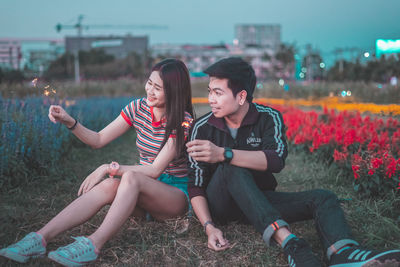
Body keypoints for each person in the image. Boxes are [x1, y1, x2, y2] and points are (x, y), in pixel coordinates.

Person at [186, 57, 400, 267]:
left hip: (259, 199)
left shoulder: (268, 117)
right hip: (222, 205)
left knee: (323, 198)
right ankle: (291, 244)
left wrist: (224, 153)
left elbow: (276, 160)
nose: (211, 99)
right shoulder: (202, 127)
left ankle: (343, 254)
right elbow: (195, 185)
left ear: (241, 97)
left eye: (218, 92)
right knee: (230, 168)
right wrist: (209, 226)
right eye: (209, 91)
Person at [0, 58, 194, 266]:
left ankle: (93, 244)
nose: (150, 90)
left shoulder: (182, 121)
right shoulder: (138, 108)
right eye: (149, 83)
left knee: (129, 177)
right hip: (143, 196)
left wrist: (109, 168)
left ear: (174, 91)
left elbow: (155, 170)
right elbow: (98, 139)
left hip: (174, 197)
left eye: (158, 88)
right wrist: (70, 122)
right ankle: (40, 238)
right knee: (112, 184)